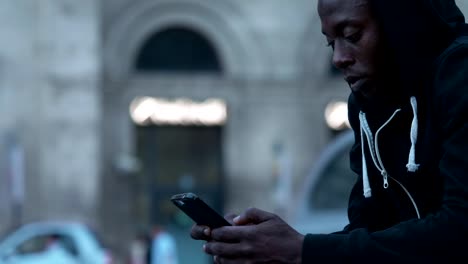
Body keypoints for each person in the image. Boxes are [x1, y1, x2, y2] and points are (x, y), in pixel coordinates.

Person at [189, 0, 468, 263]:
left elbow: (459, 228)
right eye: (330, 42)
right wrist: (276, 250)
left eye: (352, 35)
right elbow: (371, 232)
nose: (338, 58)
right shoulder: (366, 106)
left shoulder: (460, 73)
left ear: (401, 23)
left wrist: (302, 250)